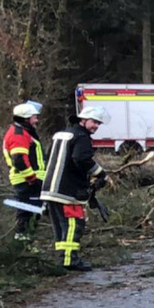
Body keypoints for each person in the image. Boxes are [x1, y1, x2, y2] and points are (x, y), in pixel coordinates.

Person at [40, 104, 108, 272]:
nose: (96, 126)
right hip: (67, 191)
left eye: (99, 123)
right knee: (74, 224)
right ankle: (70, 260)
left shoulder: (62, 134)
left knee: (60, 226)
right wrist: (100, 174)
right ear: (83, 120)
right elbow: (81, 159)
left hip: (50, 188)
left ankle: (63, 258)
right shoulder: (81, 137)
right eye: (94, 122)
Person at [2, 100, 45, 242]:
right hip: (27, 181)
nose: (36, 120)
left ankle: (27, 243)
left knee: (32, 213)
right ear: (26, 118)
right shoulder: (19, 134)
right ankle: (24, 244)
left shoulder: (22, 131)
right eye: (34, 117)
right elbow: (19, 159)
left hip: (28, 180)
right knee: (27, 214)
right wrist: (32, 178)